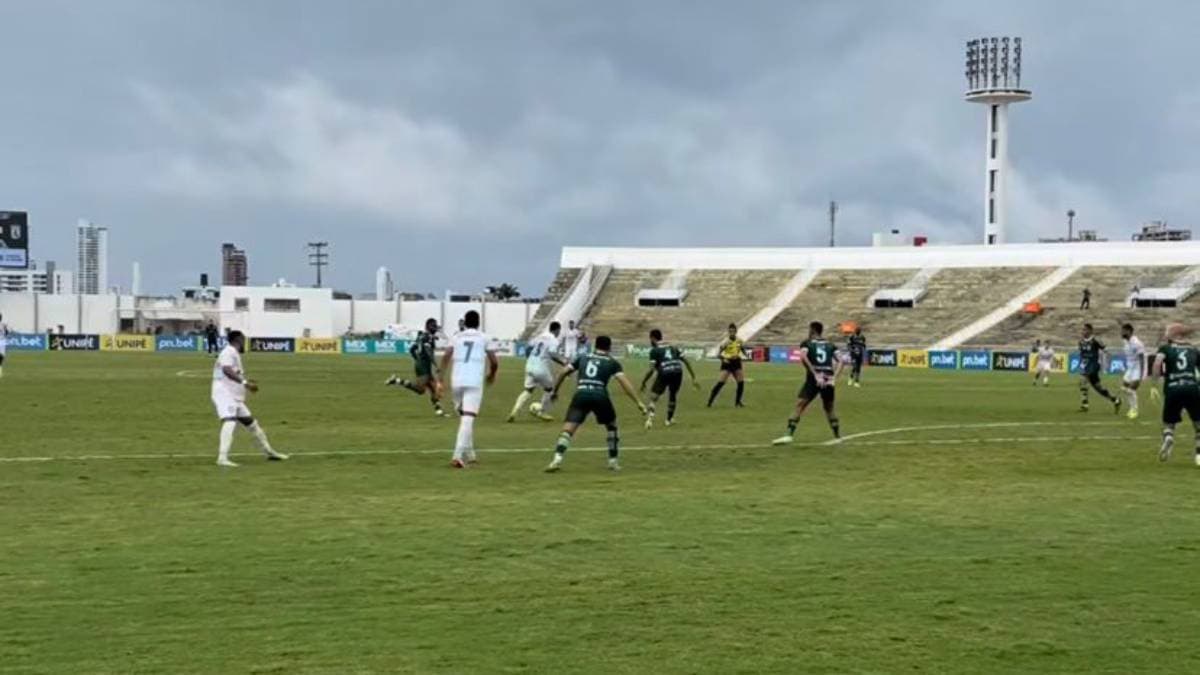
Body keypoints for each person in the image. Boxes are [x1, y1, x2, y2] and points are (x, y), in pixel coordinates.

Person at [544, 335, 646, 473]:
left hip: (581, 394)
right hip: (600, 395)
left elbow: (563, 372)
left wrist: (555, 391)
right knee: (611, 426)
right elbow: (624, 383)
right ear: (609, 347)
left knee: (568, 429)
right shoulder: (612, 362)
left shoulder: (583, 357)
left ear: (595, 345)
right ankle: (613, 462)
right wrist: (638, 402)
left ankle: (556, 459)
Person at [211, 330, 287, 467]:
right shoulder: (228, 352)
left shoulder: (232, 353)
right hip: (225, 394)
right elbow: (226, 370)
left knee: (252, 424)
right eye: (243, 340)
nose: (244, 343)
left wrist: (246, 381)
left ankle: (269, 452)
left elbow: (231, 372)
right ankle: (222, 458)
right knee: (229, 421)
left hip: (234, 395)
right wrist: (245, 383)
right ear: (239, 340)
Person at [439, 311, 499, 468]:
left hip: (457, 381)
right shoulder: (484, 337)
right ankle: (457, 456)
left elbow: (445, 356)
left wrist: (440, 379)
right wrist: (492, 374)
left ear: (465, 322)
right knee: (467, 419)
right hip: (473, 382)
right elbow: (494, 362)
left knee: (465, 418)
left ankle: (471, 455)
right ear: (478, 323)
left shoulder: (456, 336)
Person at [773, 321, 843, 445]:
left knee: (800, 405)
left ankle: (788, 435)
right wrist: (834, 378)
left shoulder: (807, 343)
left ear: (813, 330)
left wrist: (815, 374)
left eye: (809, 329)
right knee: (829, 408)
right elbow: (841, 361)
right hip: (828, 379)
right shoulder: (830, 344)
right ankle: (837, 437)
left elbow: (803, 357)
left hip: (814, 379)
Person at [1151, 323, 1200, 464]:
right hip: (1192, 388)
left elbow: (1157, 364)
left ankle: (1168, 437)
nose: (1166, 335)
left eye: (1168, 332)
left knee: (1168, 422)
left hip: (1172, 388)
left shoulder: (1165, 348)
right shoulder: (1193, 349)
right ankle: (1199, 455)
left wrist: (1154, 385)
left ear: (1175, 334)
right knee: (1198, 424)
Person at [508, 321, 568, 422]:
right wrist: (564, 362)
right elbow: (552, 353)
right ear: (557, 330)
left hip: (529, 365)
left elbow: (528, 348)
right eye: (559, 331)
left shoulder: (540, 336)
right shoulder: (554, 340)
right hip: (540, 368)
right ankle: (541, 412)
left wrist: (530, 359)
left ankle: (514, 411)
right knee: (549, 389)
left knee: (528, 390)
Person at [386, 318, 446, 417]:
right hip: (423, 367)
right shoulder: (428, 337)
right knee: (420, 390)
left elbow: (412, 349)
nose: (435, 328)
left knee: (433, 388)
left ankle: (439, 411)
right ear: (428, 327)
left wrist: (417, 359)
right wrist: (435, 365)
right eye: (434, 326)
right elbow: (428, 351)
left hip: (423, 365)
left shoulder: (421, 336)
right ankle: (397, 380)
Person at [640, 329, 699, 428]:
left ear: (653, 338)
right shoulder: (673, 347)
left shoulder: (654, 350)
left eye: (650, 339)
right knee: (673, 395)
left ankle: (649, 420)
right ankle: (669, 420)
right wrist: (693, 377)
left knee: (653, 397)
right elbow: (686, 361)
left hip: (665, 372)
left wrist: (644, 382)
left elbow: (651, 370)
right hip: (678, 371)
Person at [1078, 323, 1120, 414]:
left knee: (1083, 380)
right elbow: (1082, 354)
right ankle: (1115, 400)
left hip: (1094, 366)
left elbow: (1105, 350)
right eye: (1082, 330)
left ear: (1090, 331)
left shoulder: (1095, 340)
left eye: (1085, 330)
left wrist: (1108, 360)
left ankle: (1085, 405)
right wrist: (1081, 364)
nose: (1083, 331)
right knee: (1098, 388)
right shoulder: (1081, 342)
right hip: (1085, 365)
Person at [708, 323, 748, 407]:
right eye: (730, 331)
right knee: (721, 382)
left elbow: (742, 349)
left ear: (736, 331)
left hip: (736, 362)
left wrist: (745, 355)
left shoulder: (739, 340)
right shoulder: (725, 342)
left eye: (733, 331)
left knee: (741, 382)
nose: (732, 333)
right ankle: (710, 402)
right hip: (728, 362)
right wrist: (723, 359)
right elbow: (718, 354)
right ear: (728, 332)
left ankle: (737, 402)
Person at [1120, 323, 1147, 420]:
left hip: (1138, 368)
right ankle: (1132, 408)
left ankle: (1134, 410)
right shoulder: (1125, 342)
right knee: (1124, 388)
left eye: (1123, 331)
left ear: (1129, 331)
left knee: (1131, 390)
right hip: (1130, 368)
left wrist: (1142, 374)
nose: (1121, 332)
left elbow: (1142, 359)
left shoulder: (1137, 343)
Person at [0, 313, 8, 379]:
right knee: (1, 357)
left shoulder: (3, 325)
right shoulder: (3, 325)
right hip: (2, 342)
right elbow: (6, 333)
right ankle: (0, 372)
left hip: (2, 342)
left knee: (1, 357)